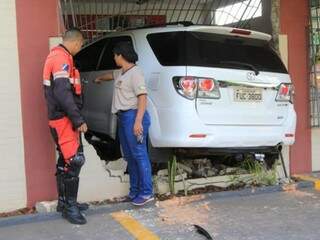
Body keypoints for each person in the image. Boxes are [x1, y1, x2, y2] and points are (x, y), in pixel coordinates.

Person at [95, 41, 154, 206]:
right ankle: (134, 192)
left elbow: (142, 97)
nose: (114, 58)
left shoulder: (136, 73)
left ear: (120, 55)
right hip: (123, 118)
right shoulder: (122, 72)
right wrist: (99, 78)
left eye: (115, 55)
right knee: (130, 156)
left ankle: (147, 192)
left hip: (134, 117)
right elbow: (110, 76)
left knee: (139, 155)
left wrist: (138, 122)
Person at [43, 28, 88, 224]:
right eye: (81, 44)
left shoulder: (58, 56)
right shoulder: (61, 58)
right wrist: (78, 120)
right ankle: (70, 207)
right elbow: (62, 93)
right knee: (75, 160)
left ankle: (64, 202)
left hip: (60, 118)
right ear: (77, 42)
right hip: (64, 120)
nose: (80, 47)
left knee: (65, 160)